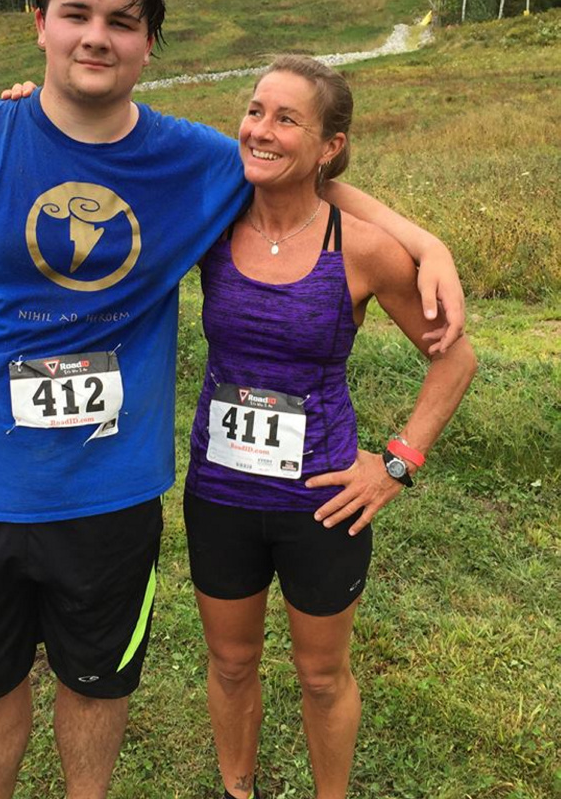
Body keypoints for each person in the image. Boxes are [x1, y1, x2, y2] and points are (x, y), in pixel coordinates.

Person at [0, 0, 464, 799]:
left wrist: (423, 238)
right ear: (40, 23)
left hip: (112, 494)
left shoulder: (195, 161)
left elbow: (307, 175)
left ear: (149, 42)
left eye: (122, 19)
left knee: (96, 685)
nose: (96, 35)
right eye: (76, 14)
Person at [183, 55, 477, 799]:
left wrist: (397, 462)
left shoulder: (363, 248)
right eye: (255, 111)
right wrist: (29, 104)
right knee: (230, 663)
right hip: (219, 492)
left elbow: (455, 361)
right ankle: (237, 789)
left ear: (330, 145)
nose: (262, 129)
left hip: (322, 499)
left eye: (288, 119)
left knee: (320, 674)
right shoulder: (213, 217)